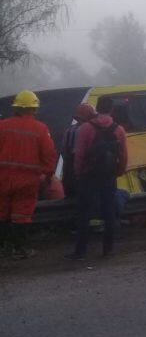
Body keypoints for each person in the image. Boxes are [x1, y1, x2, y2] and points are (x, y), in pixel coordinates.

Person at [67, 96, 128, 259]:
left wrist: (78, 173)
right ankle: (108, 249)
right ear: (112, 109)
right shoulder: (119, 130)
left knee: (84, 214)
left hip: (88, 176)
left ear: (97, 108)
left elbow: (79, 155)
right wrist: (119, 171)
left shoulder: (86, 128)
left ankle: (80, 251)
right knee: (109, 212)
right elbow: (123, 155)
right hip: (108, 177)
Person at [0, 90, 57, 259]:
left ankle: (3, 248)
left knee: (1, 213)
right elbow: (49, 154)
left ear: (16, 107)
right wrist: (48, 175)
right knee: (21, 215)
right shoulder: (40, 129)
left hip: (2, 178)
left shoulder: (2, 125)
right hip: (27, 180)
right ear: (34, 109)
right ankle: (20, 249)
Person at [61, 103, 97, 198]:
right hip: (85, 176)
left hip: (69, 176)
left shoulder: (68, 131)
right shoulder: (90, 131)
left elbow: (64, 153)